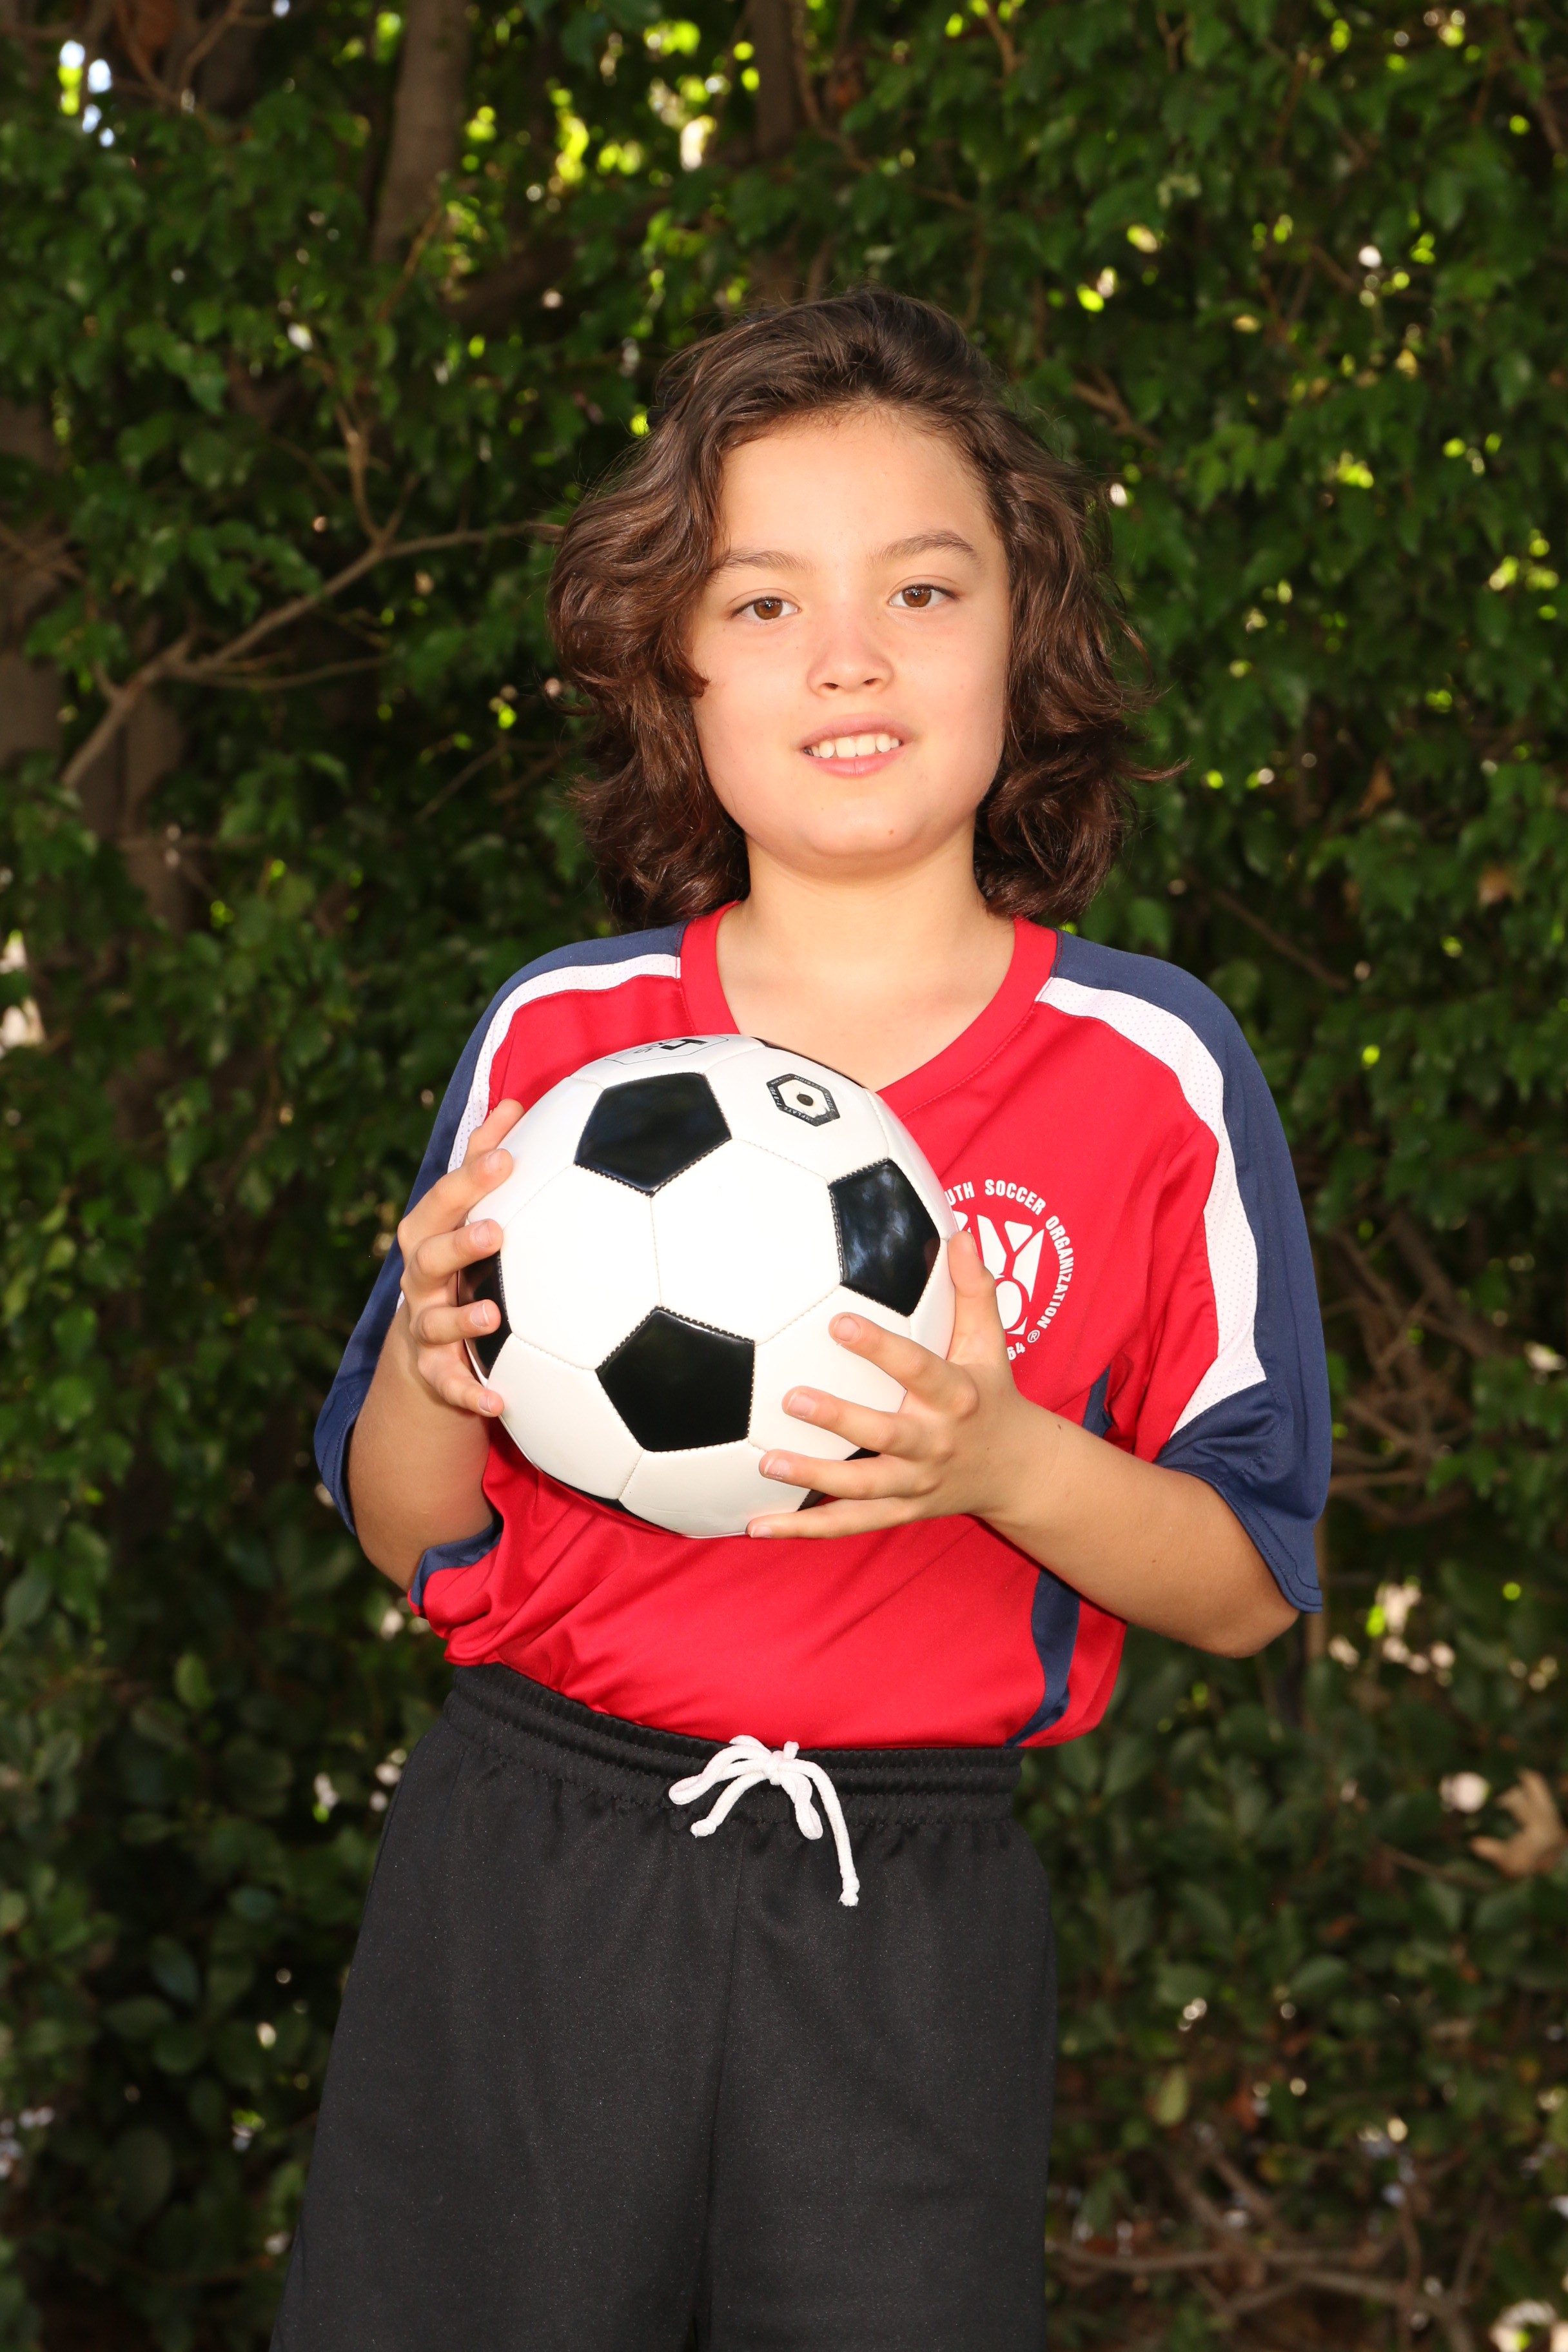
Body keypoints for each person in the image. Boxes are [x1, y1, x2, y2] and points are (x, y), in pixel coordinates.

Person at [275, 288, 1329, 2352]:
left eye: (921, 590)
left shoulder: (1154, 1072)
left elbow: (1249, 1578)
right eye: (763, 603)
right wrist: (428, 1368)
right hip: (533, 1862)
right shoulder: (564, 1043)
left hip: (903, 1915)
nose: (849, 655)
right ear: (674, 669)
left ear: (1024, 635)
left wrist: (1002, 1459)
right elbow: (408, 1526)